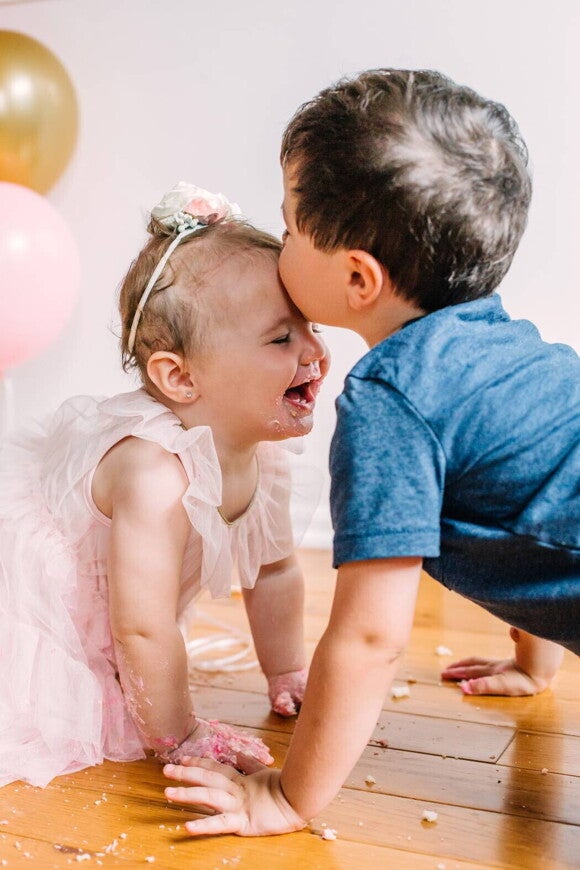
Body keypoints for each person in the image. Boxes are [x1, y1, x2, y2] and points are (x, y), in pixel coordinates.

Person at [162, 69, 580, 837]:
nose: (281, 243)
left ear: (358, 277)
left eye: (291, 229)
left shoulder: (391, 403)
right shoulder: (501, 348)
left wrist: (287, 796)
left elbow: (369, 636)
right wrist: (536, 659)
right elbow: (541, 505)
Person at [0, 182, 328, 789]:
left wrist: (286, 671)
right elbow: (142, 627)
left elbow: (274, 572)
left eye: (309, 326)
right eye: (281, 338)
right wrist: (177, 734)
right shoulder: (155, 473)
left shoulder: (266, 454)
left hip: (133, 606)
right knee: (58, 688)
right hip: (50, 597)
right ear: (179, 377)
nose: (314, 349)